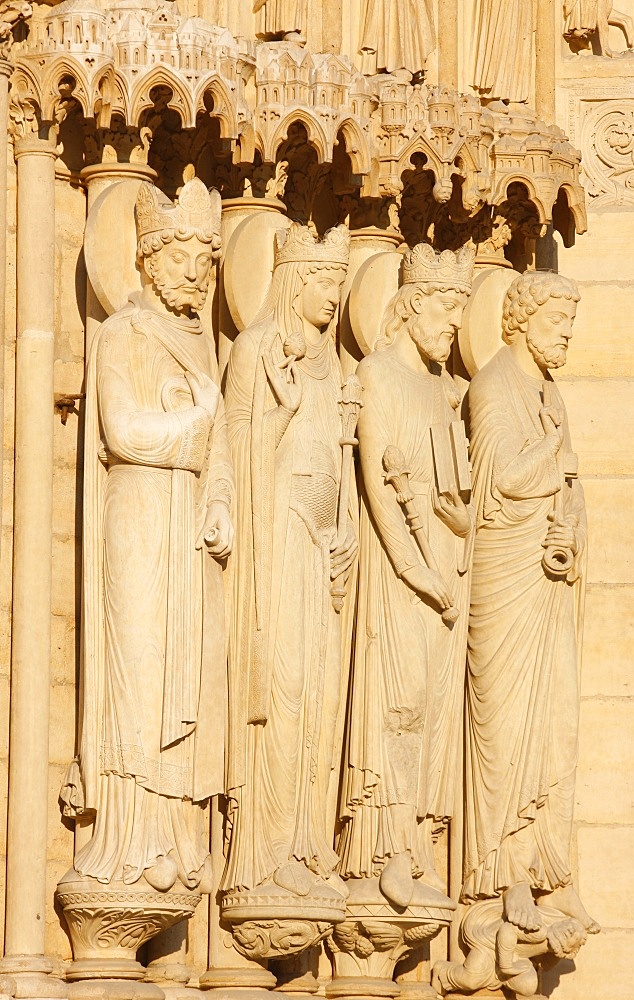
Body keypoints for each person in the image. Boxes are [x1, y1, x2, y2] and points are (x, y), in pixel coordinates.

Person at [61, 176, 234, 894]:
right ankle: (124, 843)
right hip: (137, 518)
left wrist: (219, 499)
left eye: (206, 259)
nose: (195, 272)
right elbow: (125, 432)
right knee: (138, 671)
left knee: (179, 672)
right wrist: (196, 420)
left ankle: (169, 835)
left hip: (186, 521)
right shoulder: (125, 333)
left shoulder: (199, 347)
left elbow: (219, 444)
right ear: (149, 258)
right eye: (180, 257)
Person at [222, 223, 357, 912]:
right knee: (280, 687)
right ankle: (263, 853)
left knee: (317, 697)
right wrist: (281, 409)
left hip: (318, 540)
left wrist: (346, 534)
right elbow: (237, 450)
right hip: (272, 537)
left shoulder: (335, 368)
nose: (334, 295)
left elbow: (343, 466)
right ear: (295, 280)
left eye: (340, 282)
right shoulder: (255, 351)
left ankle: (304, 843)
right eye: (325, 281)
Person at [337, 243, 474, 909]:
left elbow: (450, 492)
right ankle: (378, 847)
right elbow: (379, 491)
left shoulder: (438, 388)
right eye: (448, 308)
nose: (455, 324)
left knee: (430, 713)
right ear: (413, 305)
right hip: (403, 578)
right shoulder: (378, 377)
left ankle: (414, 843)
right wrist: (420, 574)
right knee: (395, 703)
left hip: (445, 571)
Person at [462, 271, 599, 936]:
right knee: (504, 724)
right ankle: (494, 874)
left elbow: (562, 485)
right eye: (556, 322)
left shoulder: (549, 391)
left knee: (550, 724)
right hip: (503, 579)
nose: (565, 334)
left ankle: (544, 869)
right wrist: (556, 456)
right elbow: (500, 484)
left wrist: (567, 524)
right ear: (519, 321)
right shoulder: (493, 387)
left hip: (544, 578)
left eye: (569, 323)